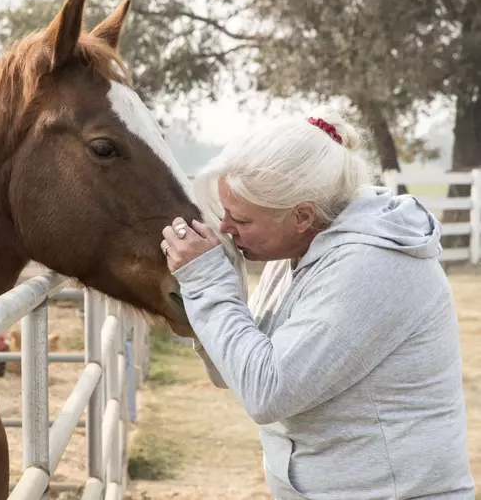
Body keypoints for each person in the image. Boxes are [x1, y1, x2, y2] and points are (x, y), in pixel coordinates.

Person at [159, 107, 475, 500]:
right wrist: (206, 302)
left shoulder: (370, 266)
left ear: (303, 216)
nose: (225, 227)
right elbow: (236, 373)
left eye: (241, 219)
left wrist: (207, 282)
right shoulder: (298, 253)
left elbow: (267, 393)